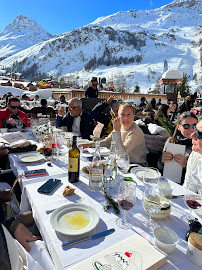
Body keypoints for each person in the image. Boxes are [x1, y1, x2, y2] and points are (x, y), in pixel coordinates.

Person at [82, 103, 147, 165]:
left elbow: (121, 153)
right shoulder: (120, 126)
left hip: (136, 166)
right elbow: (107, 142)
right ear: (118, 115)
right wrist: (90, 145)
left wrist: (116, 131)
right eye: (122, 114)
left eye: (129, 114)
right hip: (121, 162)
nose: (125, 118)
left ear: (133, 116)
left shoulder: (135, 132)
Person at [158, 112, 198, 184]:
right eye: (186, 126)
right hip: (167, 182)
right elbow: (160, 169)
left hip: (187, 187)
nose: (191, 129)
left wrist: (187, 165)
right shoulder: (171, 141)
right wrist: (162, 161)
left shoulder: (199, 145)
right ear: (179, 127)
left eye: (194, 126)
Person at [184, 119, 202, 188]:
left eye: (198, 133)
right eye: (195, 129)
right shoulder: (195, 155)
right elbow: (188, 190)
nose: (192, 135)